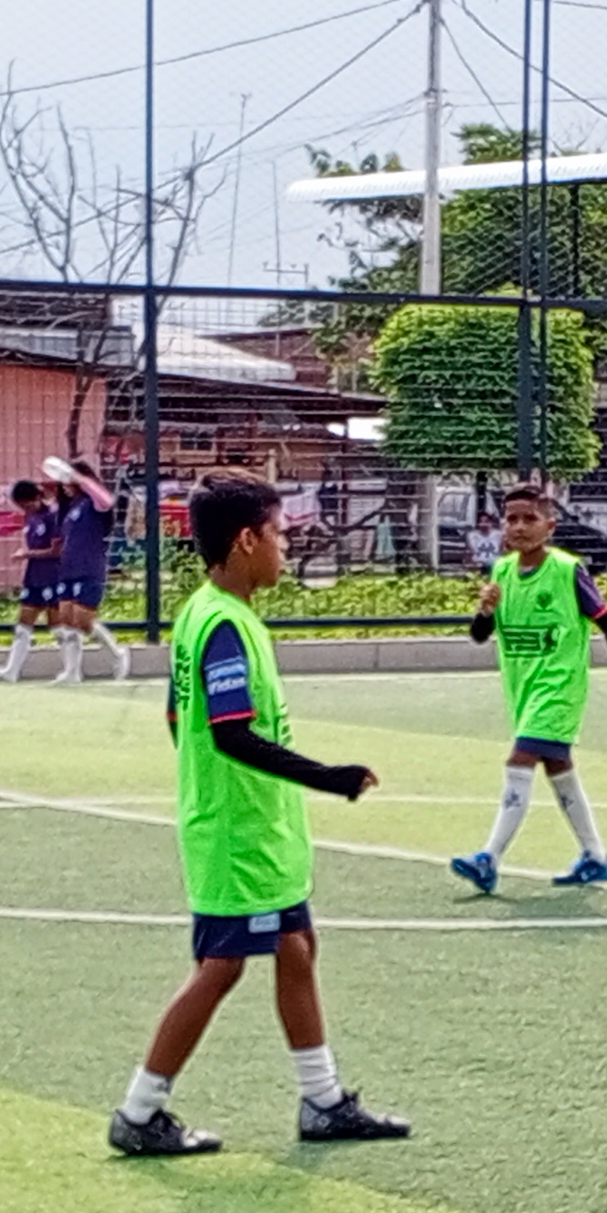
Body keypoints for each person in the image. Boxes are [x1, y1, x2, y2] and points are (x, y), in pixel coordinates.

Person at [107, 468, 407, 1157]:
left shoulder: (206, 612)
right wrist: (329, 778)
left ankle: (323, 1101)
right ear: (246, 540)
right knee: (220, 966)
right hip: (238, 836)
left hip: (253, 830)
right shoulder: (223, 625)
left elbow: (177, 717)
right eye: (277, 533)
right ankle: (139, 1111)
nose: (285, 547)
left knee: (296, 947)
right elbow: (230, 734)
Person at [449, 485, 607, 893]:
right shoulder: (502, 572)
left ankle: (488, 857)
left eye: (530, 518)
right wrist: (484, 610)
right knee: (558, 767)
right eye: (512, 519)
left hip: (559, 688)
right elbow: (480, 636)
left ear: (550, 526)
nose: (519, 527)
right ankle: (595, 856)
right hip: (523, 688)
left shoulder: (566, 571)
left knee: (520, 759)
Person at [45, 458, 132, 682]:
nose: (65, 485)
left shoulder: (93, 503)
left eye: (67, 479)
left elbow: (107, 501)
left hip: (90, 568)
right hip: (68, 570)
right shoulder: (70, 508)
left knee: (83, 621)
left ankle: (117, 653)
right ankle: (72, 671)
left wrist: (79, 478)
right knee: (66, 620)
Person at [0, 479, 64, 682]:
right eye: (21, 506)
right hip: (34, 576)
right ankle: (12, 671)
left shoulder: (53, 516)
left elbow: (57, 551)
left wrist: (27, 554)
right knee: (23, 623)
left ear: (38, 497)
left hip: (52, 576)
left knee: (56, 625)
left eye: (28, 505)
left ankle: (73, 668)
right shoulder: (30, 517)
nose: (25, 510)